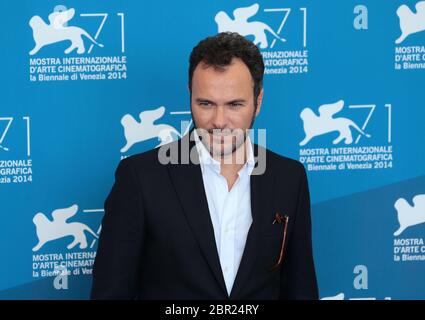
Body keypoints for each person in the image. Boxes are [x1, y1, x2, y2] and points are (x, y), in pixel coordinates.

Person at [91, 32, 318, 299]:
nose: (219, 121)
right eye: (206, 103)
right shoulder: (140, 178)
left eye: (235, 104)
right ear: (190, 96)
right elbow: (111, 292)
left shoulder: (289, 178)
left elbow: (300, 288)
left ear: (258, 102)